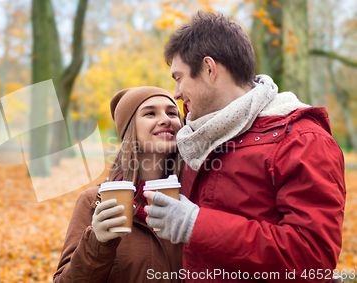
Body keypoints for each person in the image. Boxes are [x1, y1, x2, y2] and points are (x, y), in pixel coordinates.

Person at [143, 11, 346, 283]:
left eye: (179, 78)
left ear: (209, 69)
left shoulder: (302, 140)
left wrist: (196, 225)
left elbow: (313, 259)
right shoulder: (198, 138)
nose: (176, 92)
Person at [54, 86, 185, 283]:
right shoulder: (94, 201)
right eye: (150, 113)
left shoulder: (197, 194)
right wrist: (97, 242)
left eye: (172, 113)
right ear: (129, 129)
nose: (166, 119)